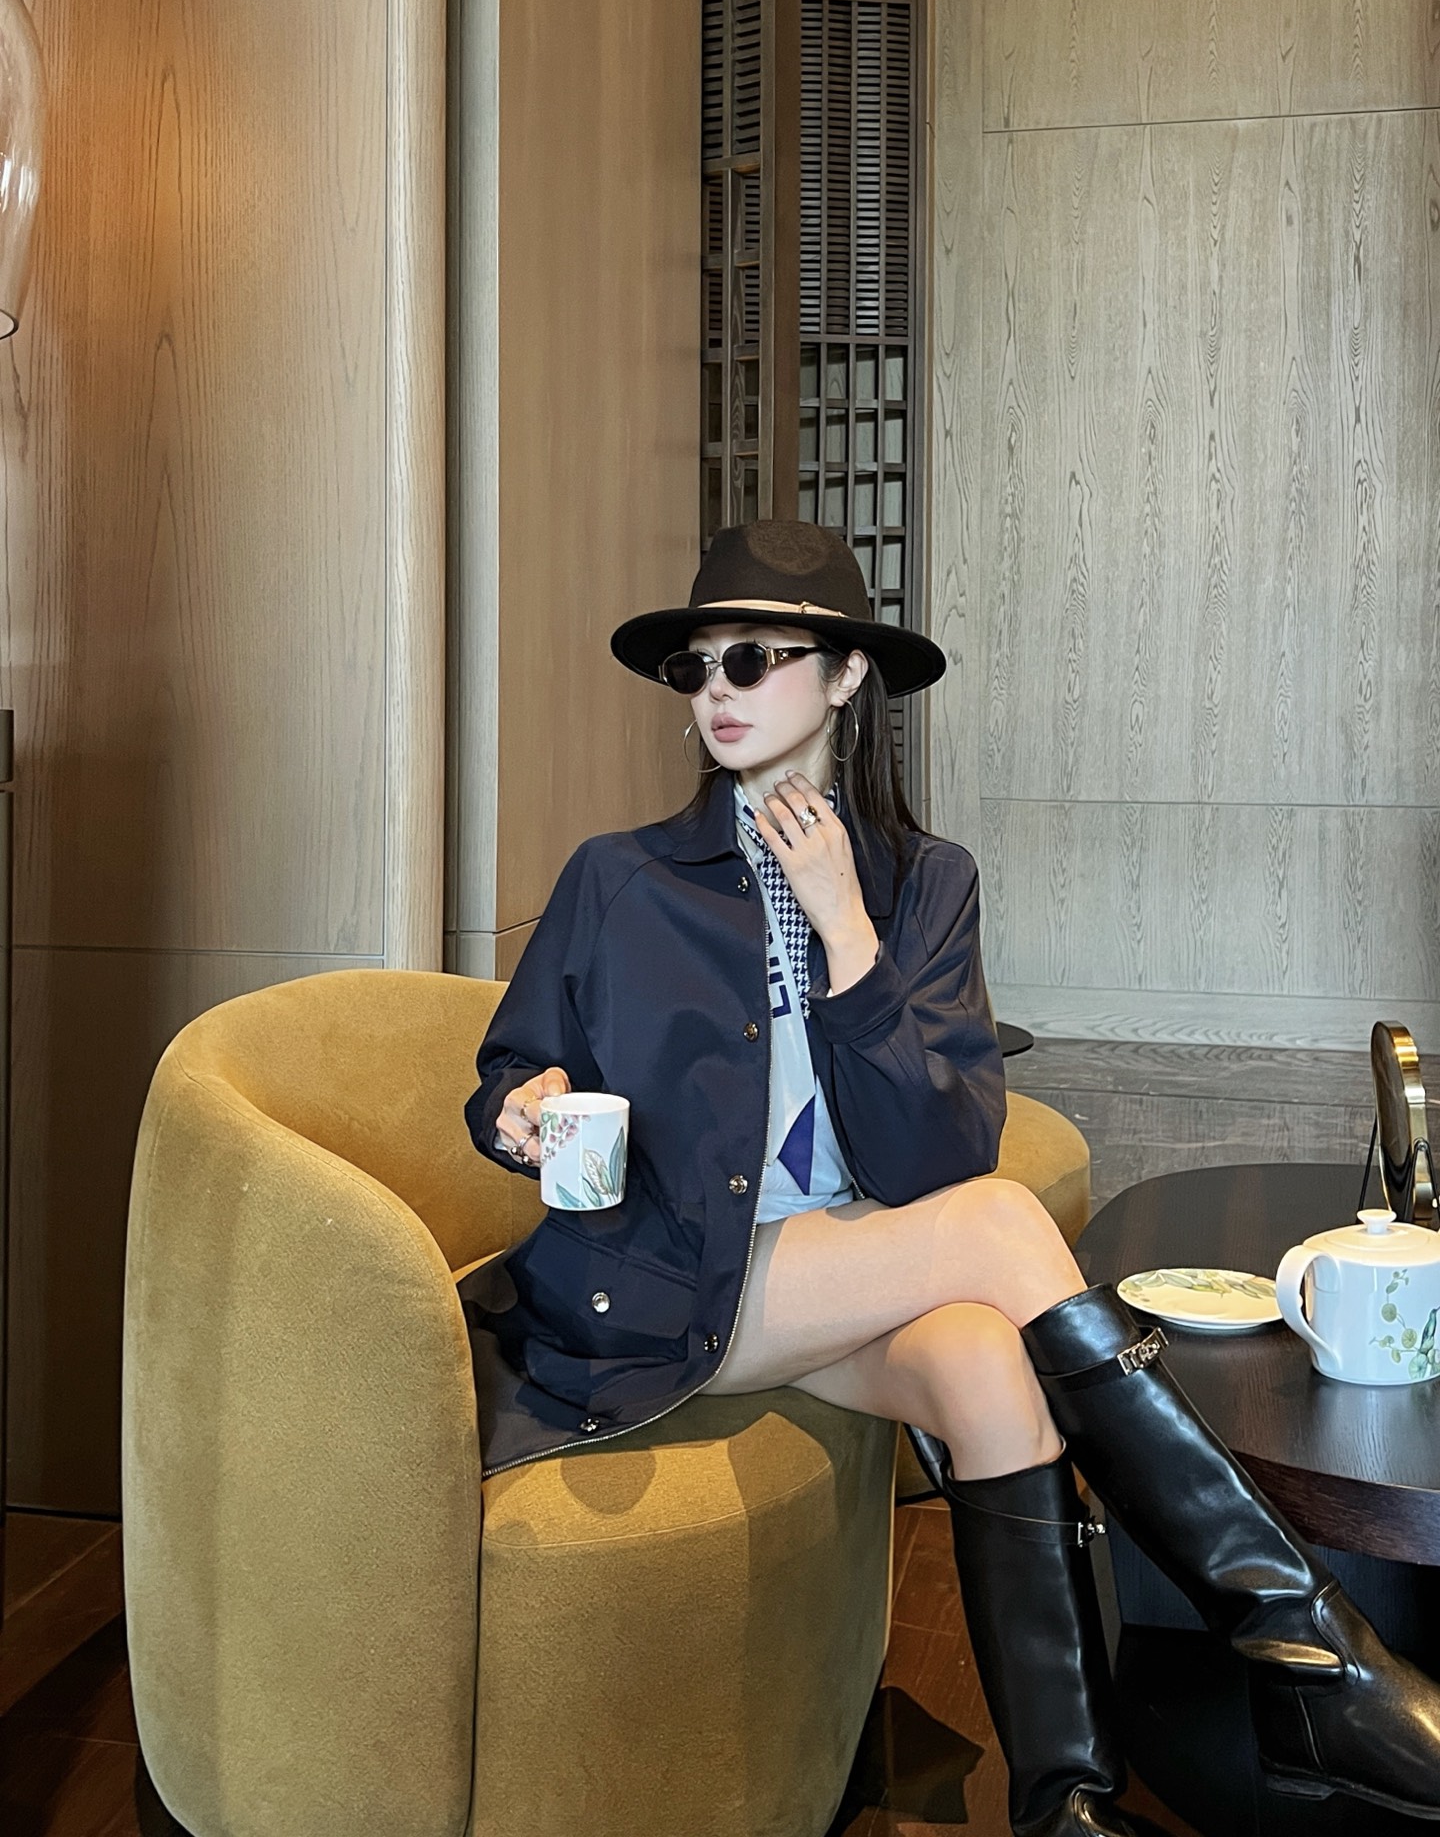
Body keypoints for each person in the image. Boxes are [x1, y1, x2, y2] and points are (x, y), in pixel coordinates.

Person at [460, 519, 1440, 1837]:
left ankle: (1070, 1807)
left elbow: (938, 1159)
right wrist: (517, 1111)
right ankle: (1310, 1654)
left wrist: (847, 932)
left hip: (827, 1271)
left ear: (846, 676)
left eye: (754, 659)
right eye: (698, 667)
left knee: (985, 1364)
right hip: (657, 1280)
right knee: (999, 1230)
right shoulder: (620, 879)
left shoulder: (925, 886)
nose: (717, 693)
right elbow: (508, 1071)